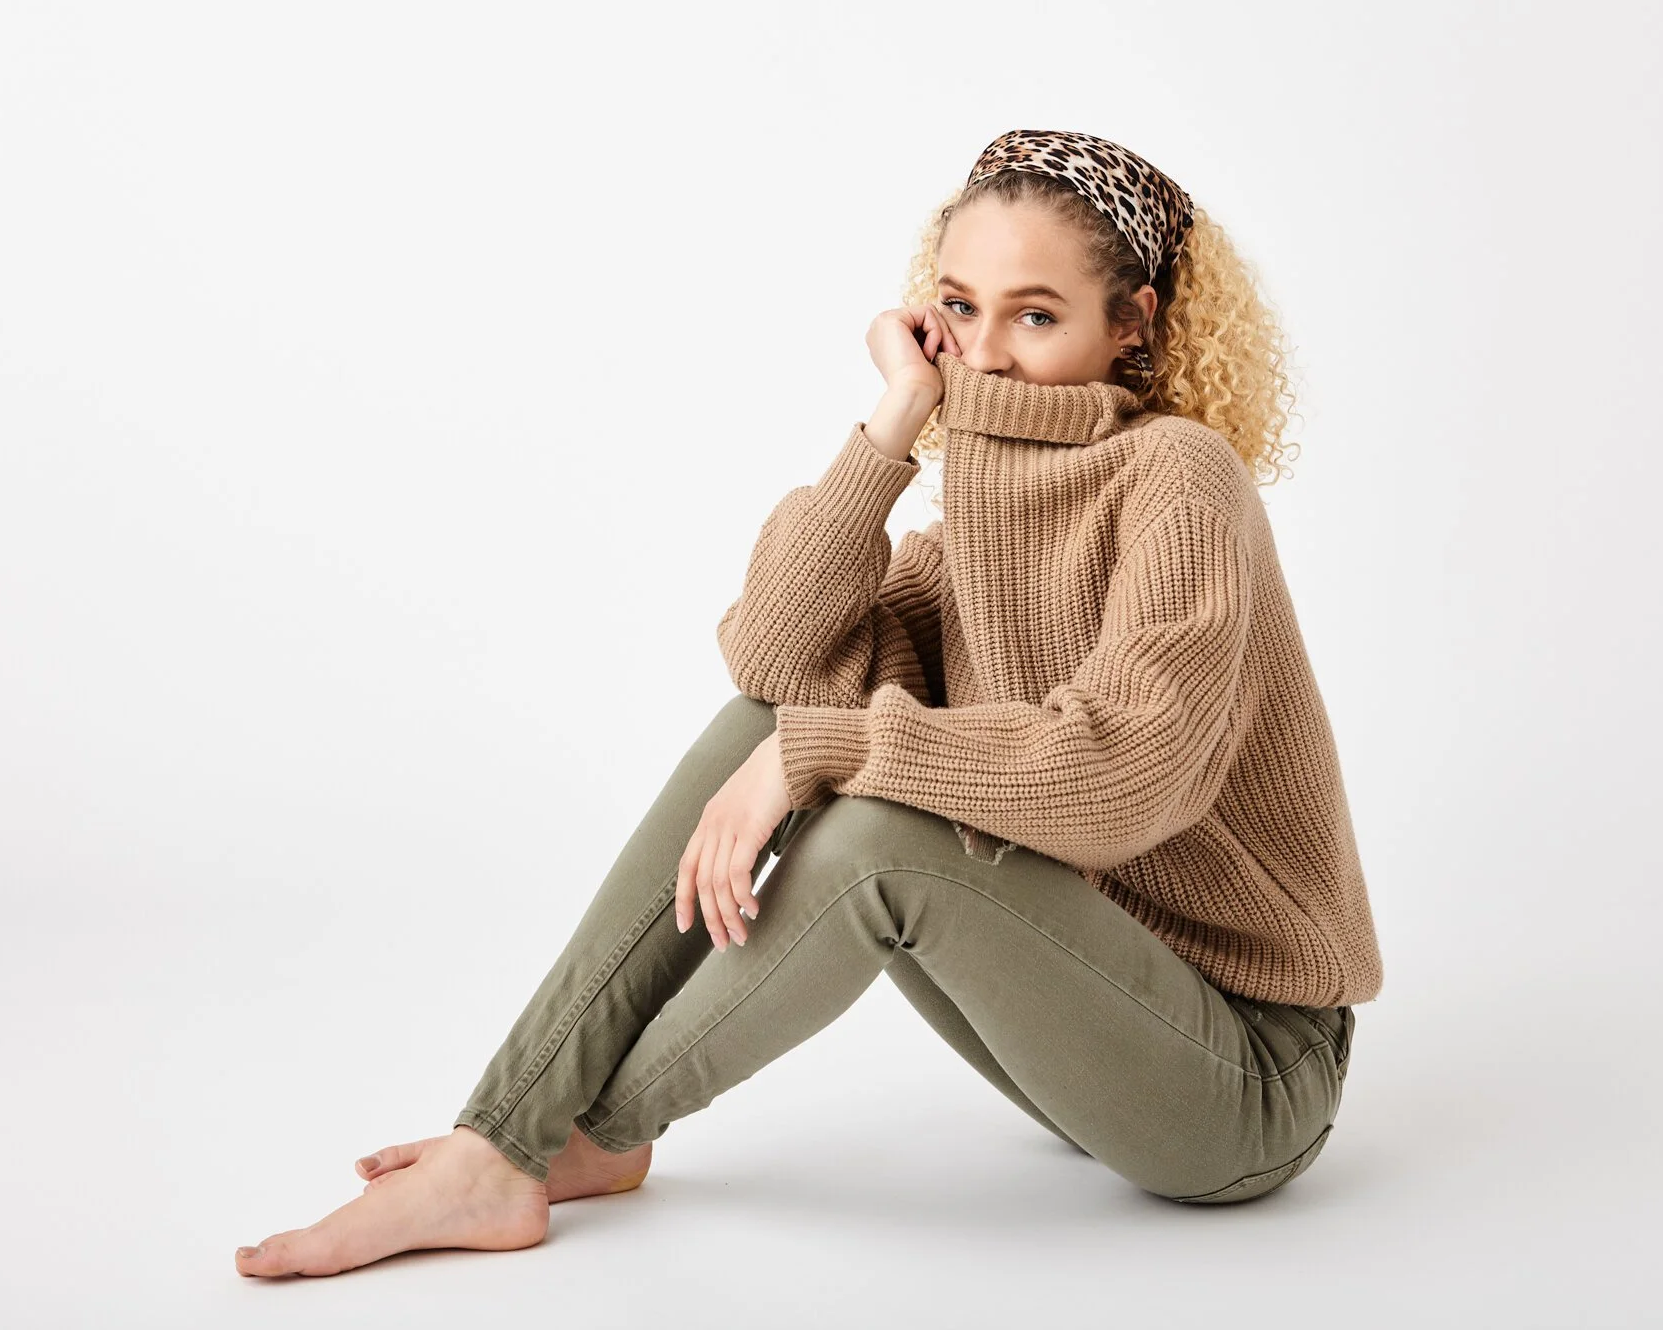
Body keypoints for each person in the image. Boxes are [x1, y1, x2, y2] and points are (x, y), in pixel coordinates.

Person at [234, 128, 1385, 1278]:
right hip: (1095, 1022)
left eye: (1034, 315)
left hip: (1244, 1078)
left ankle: (560, 1138)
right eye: (959, 307)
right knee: (776, 724)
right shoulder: (976, 519)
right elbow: (776, 658)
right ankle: (513, 1134)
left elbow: (1121, 771)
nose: (985, 353)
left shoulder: (1180, 478)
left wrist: (819, 753)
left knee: (878, 831)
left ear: (1129, 322)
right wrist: (893, 419)